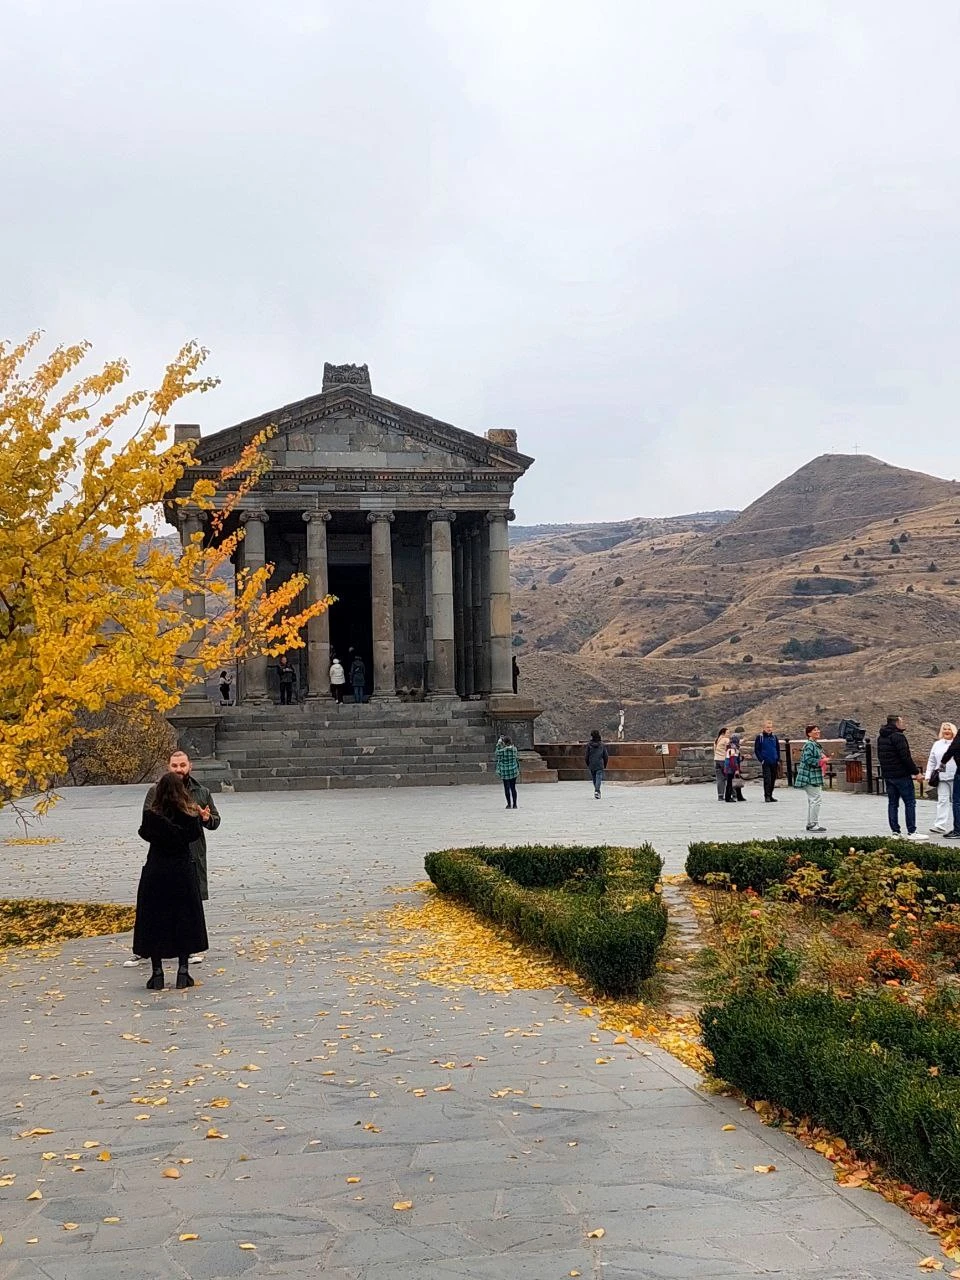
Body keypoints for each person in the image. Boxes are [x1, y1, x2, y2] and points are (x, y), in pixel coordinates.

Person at [126, 749, 221, 968]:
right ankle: (148, 949)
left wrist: (206, 818)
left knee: (189, 904)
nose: (179, 770)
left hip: (191, 855)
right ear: (168, 767)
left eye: (182, 765)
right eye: (174, 766)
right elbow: (146, 825)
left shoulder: (201, 791)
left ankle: (190, 948)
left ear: (190, 766)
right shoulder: (155, 791)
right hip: (162, 856)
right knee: (156, 904)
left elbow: (214, 821)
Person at [133, 771, 209, 990]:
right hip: (182, 871)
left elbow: (144, 833)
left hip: (156, 870)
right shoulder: (189, 814)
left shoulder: (151, 815)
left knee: (155, 919)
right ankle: (183, 971)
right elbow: (194, 836)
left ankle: (157, 972)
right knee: (184, 917)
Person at [877, 714, 926, 841]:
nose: (904, 724)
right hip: (901, 775)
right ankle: (912, 831)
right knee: (909, 803)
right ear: (896, 723)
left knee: (893, 803)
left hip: (888, 775)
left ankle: (895, 832)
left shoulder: (881, 737)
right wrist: (916, 772)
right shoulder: (898, 737)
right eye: (902, 721)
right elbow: (905, 757)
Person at [926, 721, 957, 835]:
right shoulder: (937, 744)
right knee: (942, 800)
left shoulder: (956, 743)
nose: (946, 731)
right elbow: (932, 760)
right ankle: (940, 825)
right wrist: (928, 774)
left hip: (955, 776)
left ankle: (957, 825)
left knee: (957, 802)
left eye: (949, 729)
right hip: (941, 777)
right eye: (944, 729)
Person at [794, 724, 827, 832]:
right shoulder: (809, 745)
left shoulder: (815, 745)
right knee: (816, 799)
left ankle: (810, 822)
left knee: (812, 800)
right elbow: (807, 759)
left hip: (814, 775)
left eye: (818, 729)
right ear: (809, 733)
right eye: (815, 730)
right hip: (810, 776)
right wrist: (820, 761)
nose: (817, 731)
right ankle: (813, 824)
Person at [753, 721, 781, 803]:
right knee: (767, 779)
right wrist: (761, 760)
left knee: (773, 779)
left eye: (771, 727)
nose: (769, 729)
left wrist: (778, 758)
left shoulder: (774, 737)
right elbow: (757, 750)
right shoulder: (760, 737)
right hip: (766, 761)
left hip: (774, 761)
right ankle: (767, 796)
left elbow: (777, 749)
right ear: (764, 728)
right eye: (768, 727)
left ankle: (771, 795)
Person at [495, 735, 520, 809]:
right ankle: (515, 804)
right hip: (513, 770)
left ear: (504, 743)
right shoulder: (514, 749)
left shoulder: (502, 751)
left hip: (505, 771)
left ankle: (509, 804)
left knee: (506, 788)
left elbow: (497, 753)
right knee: (513, 787)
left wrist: (499, 743)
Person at [585, 729, 608, 800]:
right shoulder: (602, 745)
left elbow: (586, 756)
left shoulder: (589, 745)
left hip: (592, 764)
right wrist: (605, 764)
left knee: (594, 778)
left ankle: (597, 791)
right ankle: (597, 791)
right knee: (598, 778)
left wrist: (587, 763)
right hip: (599, 764)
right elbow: (605, 755)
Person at [723, 734, 745, 802]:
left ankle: (739, 796)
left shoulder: (730, 747)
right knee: (730, 783)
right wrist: (736, 769)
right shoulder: (733, 748)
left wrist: (742, 757)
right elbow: (733, 760)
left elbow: (735, 759)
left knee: (732, 782)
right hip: (731, 768)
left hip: (728, 767)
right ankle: (728, 797)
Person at [713, 728, 730, 801]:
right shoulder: (725, 740)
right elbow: (734, 744)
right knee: (729, 777)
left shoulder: (716, 740)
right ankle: (732, 794)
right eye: (728, 733)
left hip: (717, 760)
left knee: (720, 779)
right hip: (723, 760)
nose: (729, 734)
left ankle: (720, 795)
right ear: (723, 733)